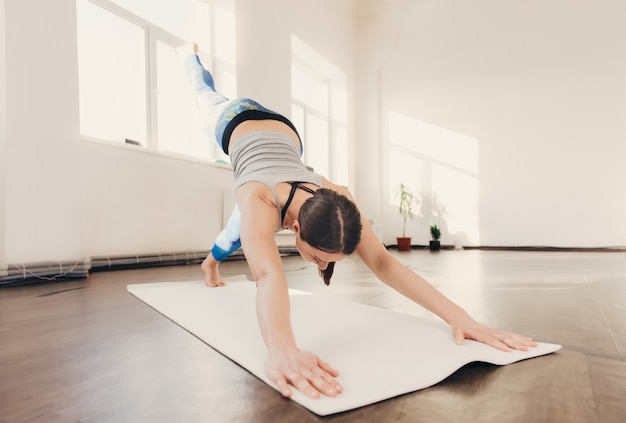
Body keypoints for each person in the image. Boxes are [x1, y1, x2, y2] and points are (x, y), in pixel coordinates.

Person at [177, 43, 537, 400]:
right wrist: (282, 347)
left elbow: (382, 261)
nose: (321, 265)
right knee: (203, 94)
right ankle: (190, 56)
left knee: (236, 231)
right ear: (296, 230)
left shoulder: (338, 195)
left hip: (283, 133)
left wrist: (461, 318)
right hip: (232, 121)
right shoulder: (258, 200)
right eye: (319, 258)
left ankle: (210, 264)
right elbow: (268, 275)